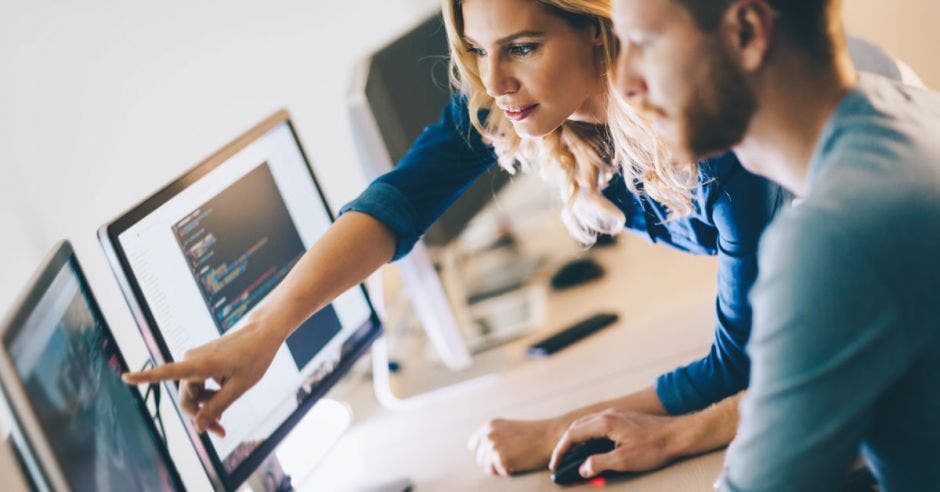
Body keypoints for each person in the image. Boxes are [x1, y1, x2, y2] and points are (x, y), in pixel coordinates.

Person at [121, 0, 902, 479]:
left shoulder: (713, 121)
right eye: (475, 49)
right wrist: (265, 330)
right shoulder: (526, 101)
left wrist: (558, 433)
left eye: (522, 45)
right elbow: (397, 203)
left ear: (597, 32)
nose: (493, 82)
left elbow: (749, 363)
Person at [551, 0, 940, 489]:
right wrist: (677, 437)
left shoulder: (835, 235)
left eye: (645, 44)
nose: (624, 82)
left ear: (748, 32)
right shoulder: (907, 110)